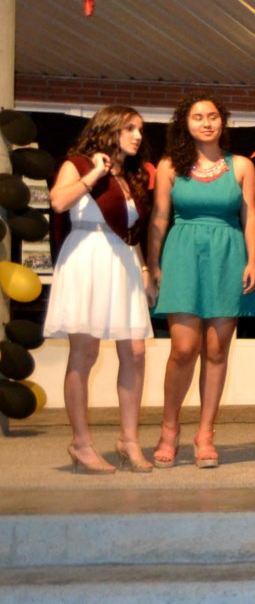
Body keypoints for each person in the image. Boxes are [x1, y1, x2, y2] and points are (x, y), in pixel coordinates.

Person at [148, 93, 255, 469]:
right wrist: (153, 263)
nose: (207, 122)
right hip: (182, 254)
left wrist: (253, 261)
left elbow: (249, 217)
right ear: (186, 123)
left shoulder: (241, 165)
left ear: (222, 122)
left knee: (216, 350)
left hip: (228, 255)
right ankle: (169, 429)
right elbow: (159, 217)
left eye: (213, 116)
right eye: (198, 117)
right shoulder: (169, 166)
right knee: (183, 348)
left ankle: (205, 434)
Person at [46, 106, 156, 474]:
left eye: (140, 129)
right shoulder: (77, 164)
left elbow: (130, 232)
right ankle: (81, 443)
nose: (137, 136)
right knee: (85, 352)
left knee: (136, 352)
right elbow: (58, 201)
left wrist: (144, 268)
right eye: (129, 128)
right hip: (86, 258)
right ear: (108, 129)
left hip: (123, 261)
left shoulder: (130, 176)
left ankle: (129, 440)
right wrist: (94, 173)